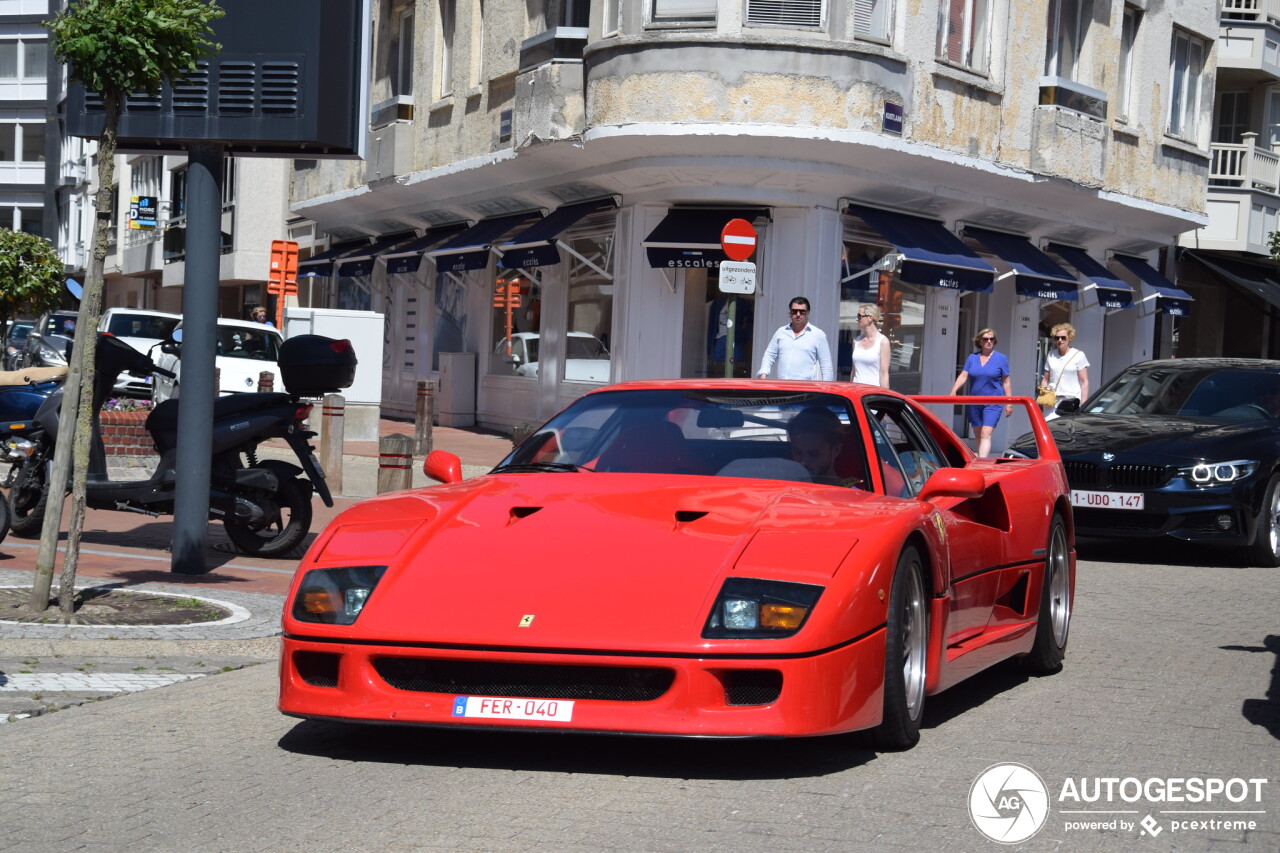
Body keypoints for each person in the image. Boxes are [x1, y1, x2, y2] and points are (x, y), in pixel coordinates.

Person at [949, 328, 1013, 458]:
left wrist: (1009, 403)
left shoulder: (1001, 358)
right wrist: (953, 391)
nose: (989, 341)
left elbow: (1006, 382)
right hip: (974, 401)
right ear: (980, 341)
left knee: (986, 433)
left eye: (991, 339)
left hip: (994, 401)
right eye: (985, 339)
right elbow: (963, 375)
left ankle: (982, 462)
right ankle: (980, 460)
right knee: (978, 434)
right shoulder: (972, 358)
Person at [757, 297, 834, 381]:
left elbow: (826, 366)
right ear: (790, 313)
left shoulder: (818, 335)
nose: (798, 314)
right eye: (794, 311)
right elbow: (769, 355)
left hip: (806, 389)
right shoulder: (781, 332)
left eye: (802, 312)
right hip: (782, 388)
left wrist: (827, 389)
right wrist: (763, 374)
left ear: (807, 313)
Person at [786, 406, 859, 487]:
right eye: (797, 452)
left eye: (814, 454)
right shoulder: (779, 486)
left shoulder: (851, 495)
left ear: (836, 450)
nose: (803, 462)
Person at [1040, 323, 1089, 420]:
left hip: (1071, 401)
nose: (1060, 340)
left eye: (1063, 338)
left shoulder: (1079, 355)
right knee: (1048, 429)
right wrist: (1042, 398)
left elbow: (1084, 382)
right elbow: (1045, 379)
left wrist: (1083, 404)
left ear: (1069, 338)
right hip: (1051, 400)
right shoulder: (1051, 355)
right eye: (1057, 338)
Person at [851, 303, 890, 388]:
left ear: (870, 318)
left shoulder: (883, 342)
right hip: (856, 391)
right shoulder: (856, 341)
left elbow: (884, 374)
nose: (856, 319)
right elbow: (854, 371)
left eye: (859, 316)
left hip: (873, 393)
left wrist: (885, 399)